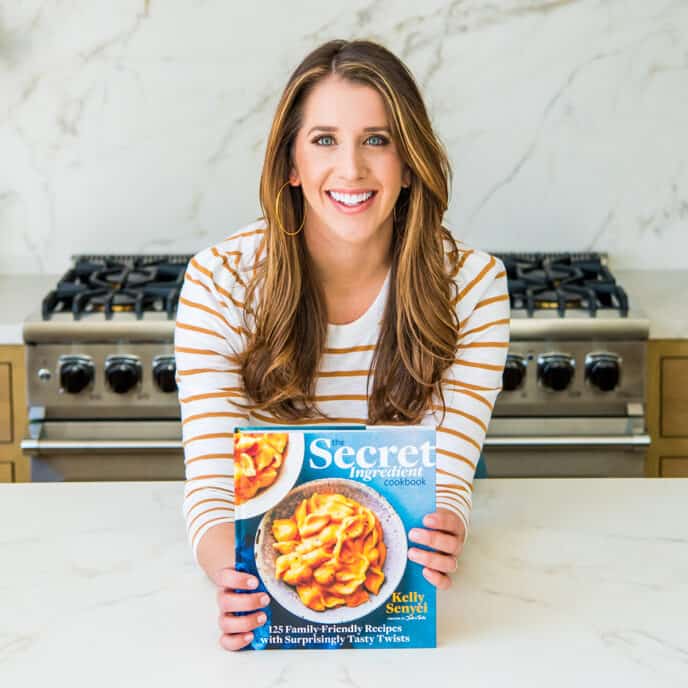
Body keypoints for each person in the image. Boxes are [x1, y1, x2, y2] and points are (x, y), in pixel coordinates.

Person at [175, 39, 510, 652]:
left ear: (410, 163)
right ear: (291, 165)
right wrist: (240, 584)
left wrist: (445, 532)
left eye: (377, 140)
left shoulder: (474, 287)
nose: (352, 169)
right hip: (270, 543)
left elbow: (445, 488)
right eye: (324, 139)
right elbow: (213, 488)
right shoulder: (218, 282)